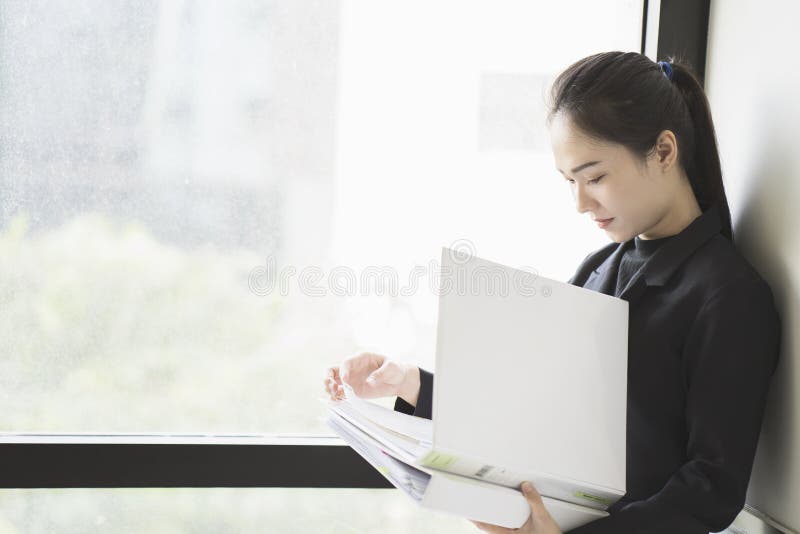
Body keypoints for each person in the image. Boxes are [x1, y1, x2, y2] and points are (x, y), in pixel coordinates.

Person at [323, 51, 782, 534]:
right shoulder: (599, 268)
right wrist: (411, 384)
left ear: (664, 152)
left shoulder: (729, 296)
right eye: (570, 181)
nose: (581, 202)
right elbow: (532, 409)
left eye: (595, 177)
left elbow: (712, 488)